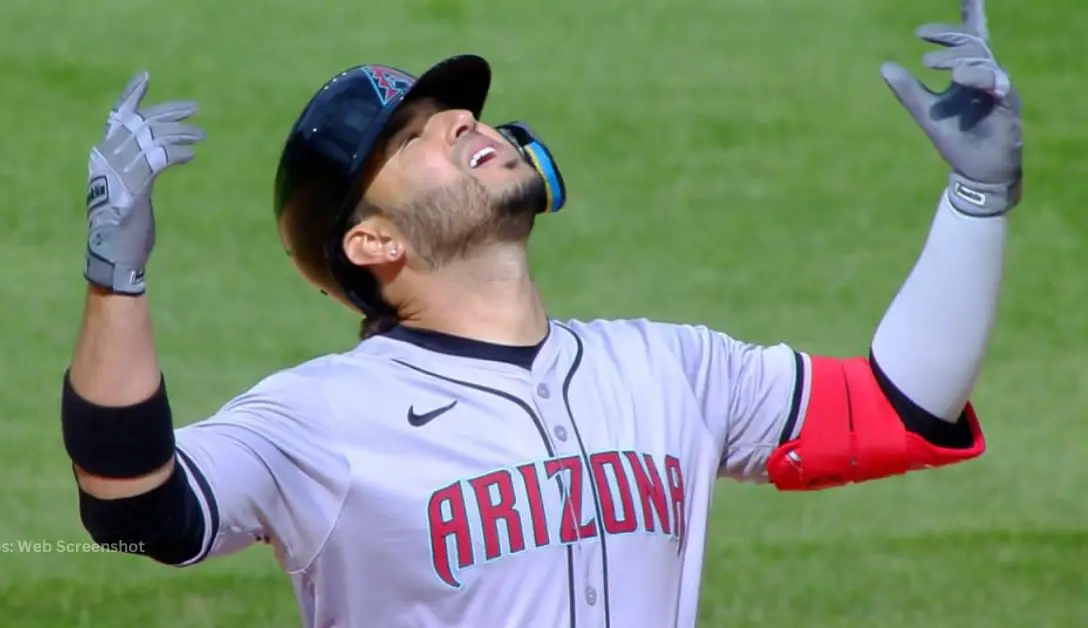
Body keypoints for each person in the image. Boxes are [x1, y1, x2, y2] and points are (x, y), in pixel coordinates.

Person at [60, 2, 1021, 626]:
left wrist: (977, 200)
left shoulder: (668, 367)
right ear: (372, 243)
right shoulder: (320, 420)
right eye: (411, 137)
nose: (462, 123)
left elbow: (900, 411)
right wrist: (117, 281)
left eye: (459, 112)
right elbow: (136, 510)